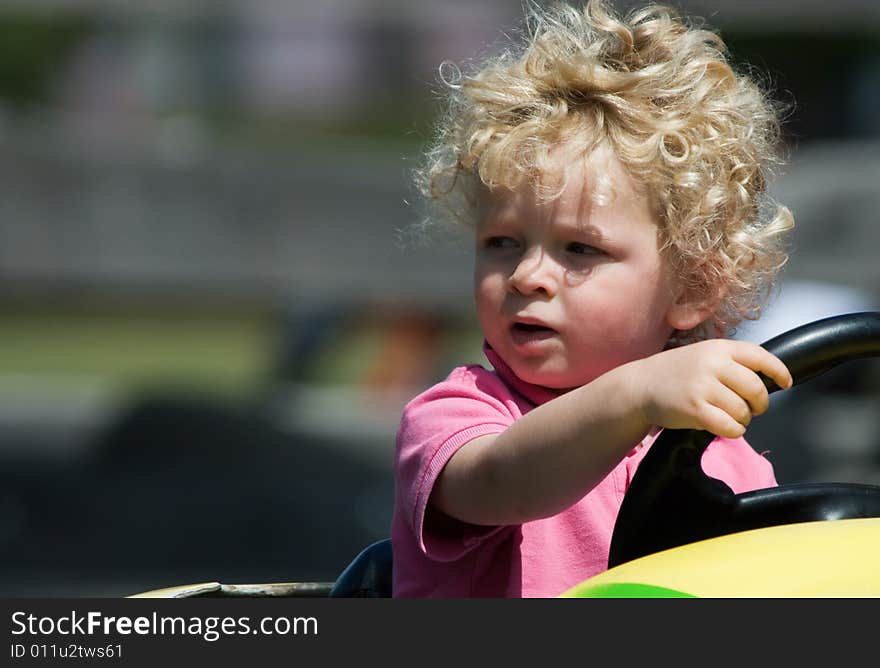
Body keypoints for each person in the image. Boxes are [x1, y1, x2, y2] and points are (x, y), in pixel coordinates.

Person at [391, 0, 795, 597]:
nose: (528, 276)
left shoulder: (727, 460)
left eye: (579, 250)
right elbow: (502, 483)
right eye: (501, 242)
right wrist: (634, 396)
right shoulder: (459, 416)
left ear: (693, 289)